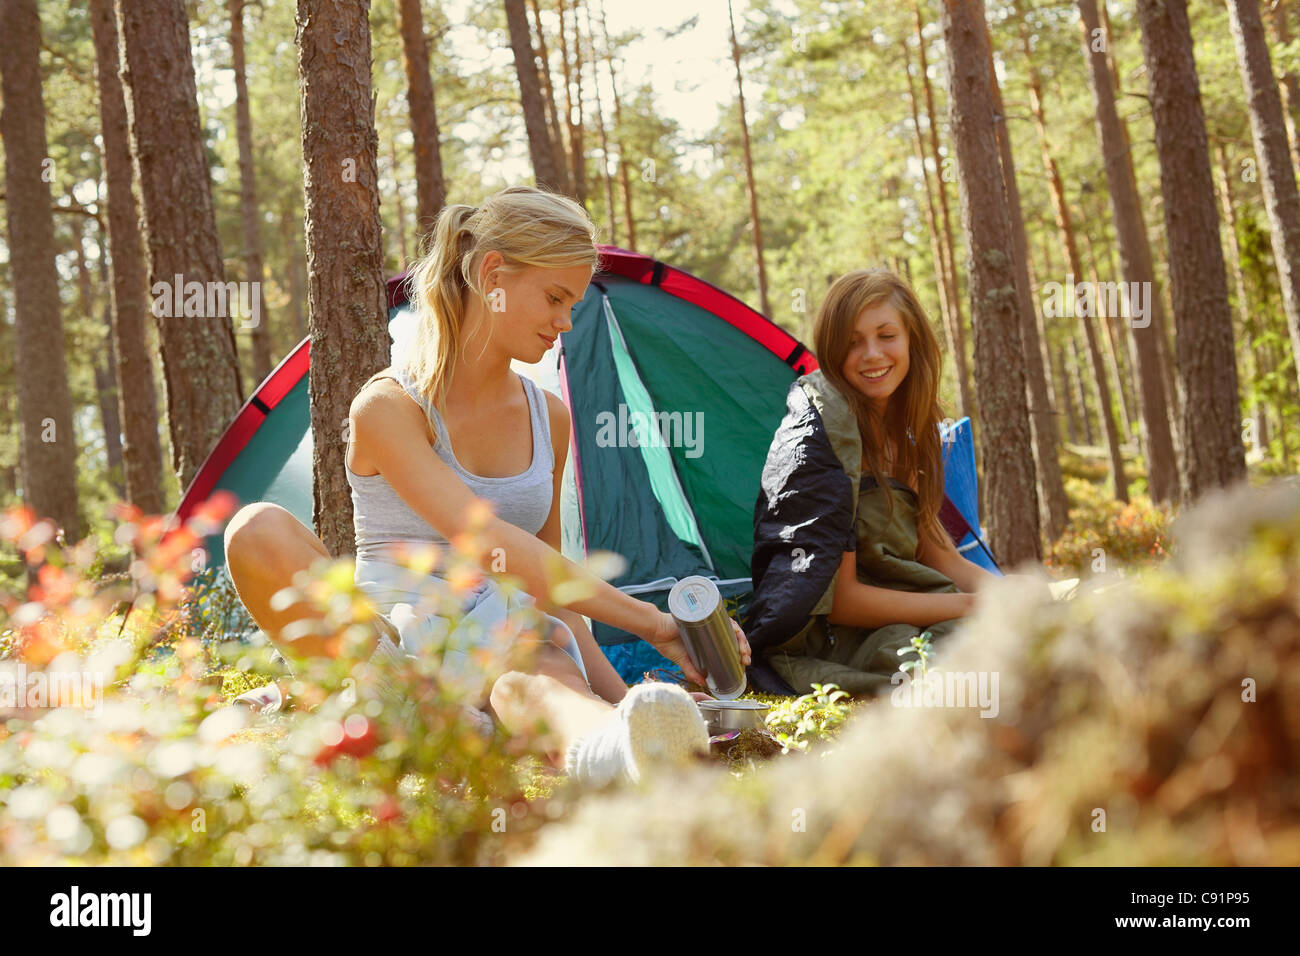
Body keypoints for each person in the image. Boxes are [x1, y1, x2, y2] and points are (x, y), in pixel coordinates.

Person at [223, 185, 750, 786]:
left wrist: (625, 701)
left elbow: (546, 578)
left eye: (573, 303)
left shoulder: (549, 416)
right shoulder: (389, 408)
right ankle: (410, 710)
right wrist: (654, 623)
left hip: (504, 641)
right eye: (555, 298)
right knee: (256, 529)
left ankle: (605, 747)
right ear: (493, 272)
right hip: (390, 638)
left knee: (530, 666)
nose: (566, 322)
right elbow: (480, 538)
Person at [743, 269, 999, 696]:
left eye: (886, 335)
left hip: (908, 608)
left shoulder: (907, 433)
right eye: (852, 341)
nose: (872, 354)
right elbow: (842, 601)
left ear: (912, 340)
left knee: (1017, 637)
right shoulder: (828, 441)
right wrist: (971, 606)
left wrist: (1020, 600)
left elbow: (945, 561)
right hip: (836, 638)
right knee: (959, 663)